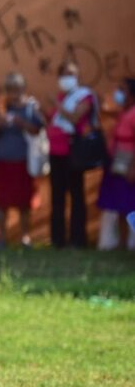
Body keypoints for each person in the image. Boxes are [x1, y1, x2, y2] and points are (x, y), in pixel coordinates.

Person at [0, 72, 45, 247]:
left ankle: (25, 237)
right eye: (9, 89)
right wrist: (1, 122)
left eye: (16, 88)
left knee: (24, 202)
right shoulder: (0, 107)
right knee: (1, 201)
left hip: (23, 161)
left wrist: (22, 123)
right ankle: (2, 237)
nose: (13, 92)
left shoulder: (30, 107)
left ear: (23, 89)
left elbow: (39, 128)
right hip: (2, 160)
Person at [45, 61, 94, 248]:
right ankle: (57, 240)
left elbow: (75, 118)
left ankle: (78, 239)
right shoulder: (61, 97)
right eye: (64, 74)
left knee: (77, 196)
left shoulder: (84, 96)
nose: (67, 77)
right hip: (55, 152)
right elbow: (51, 120)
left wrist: (56, 104)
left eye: (71, 74)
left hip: (73, 153)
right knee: (57, 197)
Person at [97, 78, 135, 249]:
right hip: (118, 159)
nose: (119, 93)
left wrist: (133, 167)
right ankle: (122, 241)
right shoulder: (124, 113)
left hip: (128, 160)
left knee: (129, 202)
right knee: (120, 201)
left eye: (123, 90)